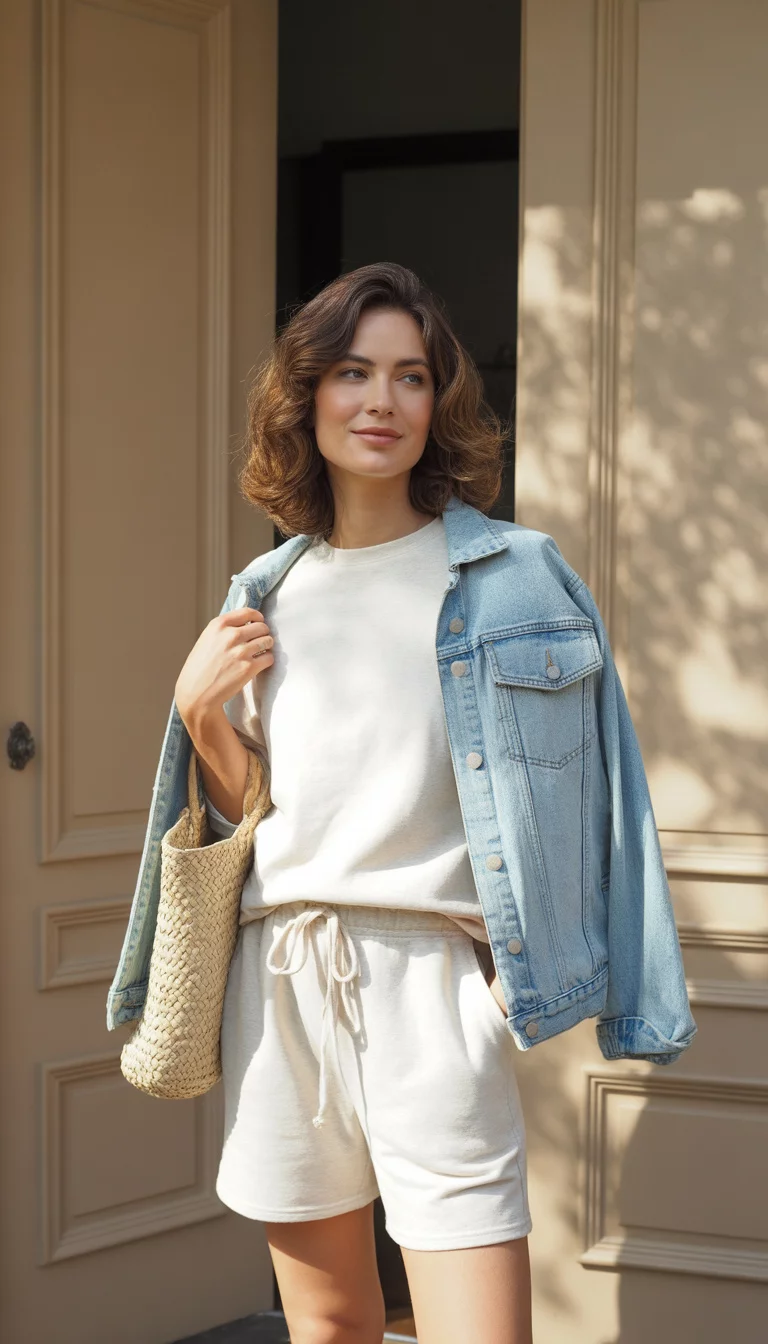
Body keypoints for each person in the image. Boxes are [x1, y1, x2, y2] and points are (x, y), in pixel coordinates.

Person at [174, 262, 532, 1342]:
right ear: (307, 396)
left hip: (430, 980)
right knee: (328, 1329)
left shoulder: (505, 580)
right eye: (354, 372)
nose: (382, 401)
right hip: (283, 980)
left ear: (439, 404)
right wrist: (199, 718)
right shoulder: (267, 592)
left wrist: (512, 983)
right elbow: (267, 824)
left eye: (411, 377)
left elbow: (577, 792)